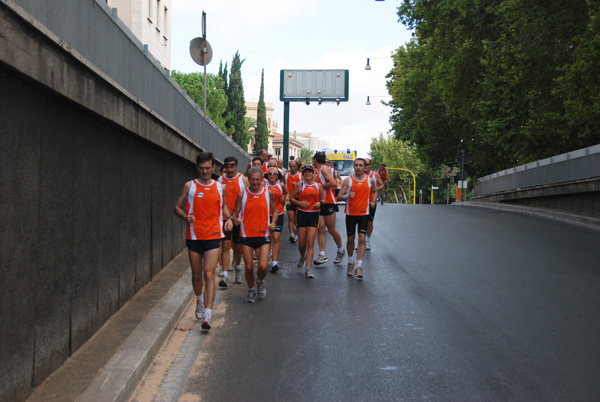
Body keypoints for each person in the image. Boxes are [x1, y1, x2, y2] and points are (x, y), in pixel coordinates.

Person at [174, 152, 234, 330]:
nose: (205, 171)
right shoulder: (189, 186)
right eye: (202, 168)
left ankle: (208, 313)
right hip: (194, 236)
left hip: (214, 236)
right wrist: (185, 217)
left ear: (213, 168)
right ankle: (199, 300)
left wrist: (229, 219)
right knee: (197, 274)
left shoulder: (219, 187)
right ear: (197, 168)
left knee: (209, 274)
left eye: (208, 168)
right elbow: (176, 207)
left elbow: (223, 205)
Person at [231, 167, 278, 303]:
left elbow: (274, 211)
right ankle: (251, 290)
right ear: (249, 179)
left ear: (262, 179)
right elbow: (235, 213)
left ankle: (260, 281)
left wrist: (273, 222)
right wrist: (236, 219)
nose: (255, 182)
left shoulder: (268, 193)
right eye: (253, 179)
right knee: (249, 266)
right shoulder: (242, 195)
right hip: (246, 235)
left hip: (263, 234)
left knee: (263, 267)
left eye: (258, 179)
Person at [336, 158, 377, 280]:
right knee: (350, 239)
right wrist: (348, 196)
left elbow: (375, 191)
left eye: (361, 165)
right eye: (356, 165)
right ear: (353, 167)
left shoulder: (370, 180)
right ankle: (350, 262)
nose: (358, 167)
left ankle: (359, 265)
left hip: (364, 213)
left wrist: (373, 201)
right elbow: (338, 197)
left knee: (362, 238)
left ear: (365, 167)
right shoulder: (348, 180)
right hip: (351, 213)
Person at [218, 156, 249, 285]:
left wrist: (242, 218)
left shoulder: (243, 180)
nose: (229, 169)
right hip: (224, 218)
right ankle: (224, 275)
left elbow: (249, 199)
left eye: (232, 166)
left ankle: (238, 268)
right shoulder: (220, 180)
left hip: (238, 219)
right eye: (227, 166)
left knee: (237, 247)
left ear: (236, 166)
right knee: (225, 245)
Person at [290, 165, 325, 279]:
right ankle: (302, 257)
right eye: (305, 172)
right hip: (302, 214)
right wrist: (300, 203)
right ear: (303, 174)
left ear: (314, 174)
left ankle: (308, 269)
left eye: (310, 172)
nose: (308, 174)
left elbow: (323, 198)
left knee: (310, 242)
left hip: (314, 215)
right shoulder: (300, 185)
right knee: (301, 243)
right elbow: (291, 198)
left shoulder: (318, 185)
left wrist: (320, 203)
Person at [312, 152, 345, 266]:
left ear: (315, 160)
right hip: (320, 203)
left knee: (331, 229)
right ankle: (322, 254)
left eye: (313, 160)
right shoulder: (319, 170)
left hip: (329, 202)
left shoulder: (324, 169)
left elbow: (333, 183)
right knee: (321, 229)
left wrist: (318, 187)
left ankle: (340, 250)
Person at [265, 167, 287, 273]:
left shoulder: (281, 185)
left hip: (278, 213)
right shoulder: (263, 185)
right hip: (266, 215)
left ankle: (274, 262)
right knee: (267, 239)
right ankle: (266, 258)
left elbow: (286, 193)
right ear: (267, 175)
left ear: (277, 175)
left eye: (274, 173)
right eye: (270, 173)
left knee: (276, 238)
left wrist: (285, 199)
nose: (272, 175)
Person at [364, 158, 385, 250]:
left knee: (369, 222)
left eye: (367, 164)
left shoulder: (375, 175)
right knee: (360, 222)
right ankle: (361, 241)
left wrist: (377, 189)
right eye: (364, 164)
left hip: (372, 201)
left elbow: (382, 184)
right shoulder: (358, 175)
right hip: (360, 202)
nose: (365, 166)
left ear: (370, 165)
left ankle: (367, 240)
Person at [285, 160, 301, 243]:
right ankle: (291, 234)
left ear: (297, 167)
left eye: (294, 166)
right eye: (290, 166)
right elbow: (284, 187)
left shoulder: (300, 175)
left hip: (298, 199)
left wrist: (298, 185)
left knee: (297, 218)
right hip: (290, 199)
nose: (292, 168)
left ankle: (298, 233)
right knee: (291, 217)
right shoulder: (286, 175)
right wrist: (287, 199)